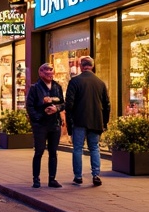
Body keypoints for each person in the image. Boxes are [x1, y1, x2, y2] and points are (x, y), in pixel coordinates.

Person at [65, 56, 110, 186]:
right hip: (96, 121)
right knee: (94, 148)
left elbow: (69, 104)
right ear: (92, 66)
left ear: (80, 66)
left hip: (79, 120)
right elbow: (107, 105)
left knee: (78, 149)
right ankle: (96, 175)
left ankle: (78, 176)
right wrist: (104, 122)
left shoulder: (75, 82)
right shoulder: (100, 83)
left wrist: (69, 122)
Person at [26, 63, 65, 188]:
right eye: (46, 71)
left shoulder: (57, 87)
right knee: (39, 152)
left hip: (54, 124)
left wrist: (56, 109)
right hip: (40, 125)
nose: (49, 73)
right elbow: (30, 107)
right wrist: (38, 118)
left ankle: (52, 179)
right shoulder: (35, 88)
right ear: (41, 73)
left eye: (51, 70)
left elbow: (63, 104)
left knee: (53, 152)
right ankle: (36, 179)